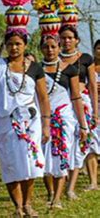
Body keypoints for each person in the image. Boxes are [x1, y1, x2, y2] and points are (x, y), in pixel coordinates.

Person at [0, 0, 51, 217]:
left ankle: (28, 203)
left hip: (31, 122)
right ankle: (17, 206)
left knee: (31, 164)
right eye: (10, 43)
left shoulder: (34, 68)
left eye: (18, 43)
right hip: (5, 122)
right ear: (6, 44)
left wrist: (45, 124)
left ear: (25, 44)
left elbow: (43, 97)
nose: (14, 47)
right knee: (10, 164)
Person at [38, 13, 88, 209]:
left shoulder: (69, 69)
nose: (50, 50)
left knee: (61, 156)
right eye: (46, 47)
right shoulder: (35, 69)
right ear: (41, 49)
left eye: (53, 46)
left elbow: (76, 97)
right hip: (43, 120)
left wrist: (83, 124)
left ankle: (57, 199)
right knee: (43, 158)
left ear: (59, 47)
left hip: (64, 118)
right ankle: (50, 193)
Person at [59, 0, 99, 195]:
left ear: (77, 40)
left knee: (84, 143)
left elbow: (92, 86)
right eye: (63, 38)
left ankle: (81, 184)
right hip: (62, 107)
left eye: (70, 38)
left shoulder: (86, 59)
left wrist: (95, 112)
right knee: (64, 143)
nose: (67, 41)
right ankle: (61, 185)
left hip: (83, 105)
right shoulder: (54, 60)